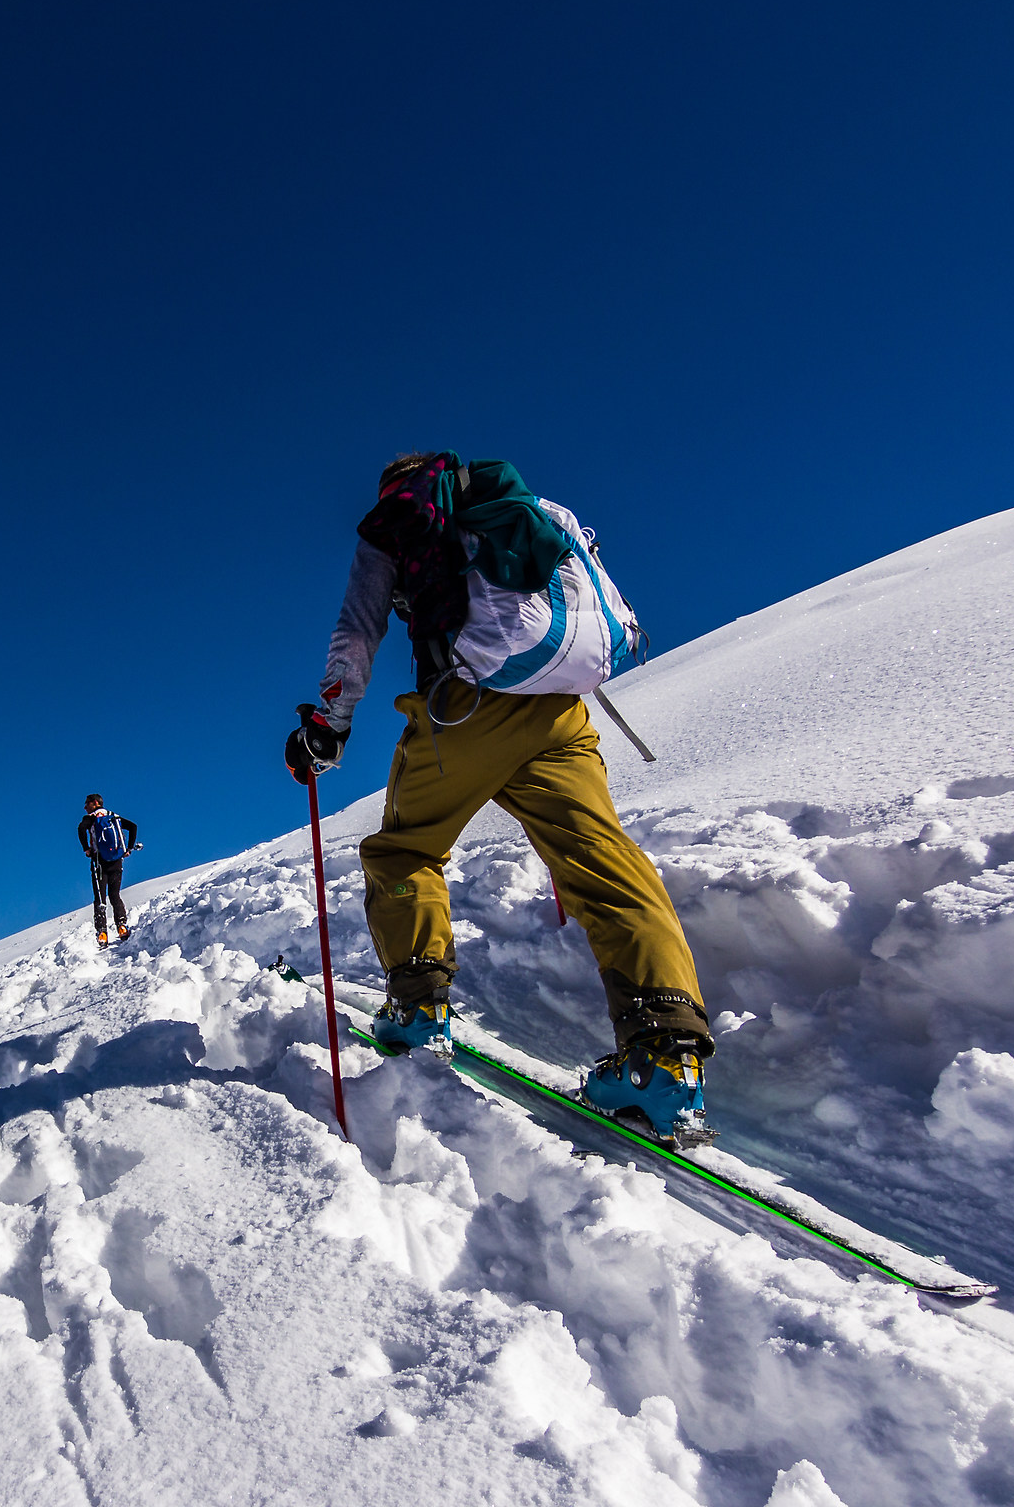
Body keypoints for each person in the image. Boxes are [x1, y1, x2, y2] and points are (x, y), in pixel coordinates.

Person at [283, 451, 715, 1143]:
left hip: (466, 709)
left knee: (402, 850)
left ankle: (420, 1009)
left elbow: (357, 630)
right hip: (562, 714)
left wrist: (328, 730)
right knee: (602, 860)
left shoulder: (395, 521)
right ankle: (666, 1058)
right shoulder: (541, 509)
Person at [77, 794, 140, 946]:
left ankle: (102, 933)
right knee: (114, 895)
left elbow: (80, 829)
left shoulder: (91, 818)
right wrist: (128, 848)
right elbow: (133, 827)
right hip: (116, 861)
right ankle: (122, 926)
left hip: (99, 862)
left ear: (95, 803)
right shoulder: (113, 816)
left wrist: (86, 849)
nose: (85, 807)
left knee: (100, 897)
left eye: (87, 804)